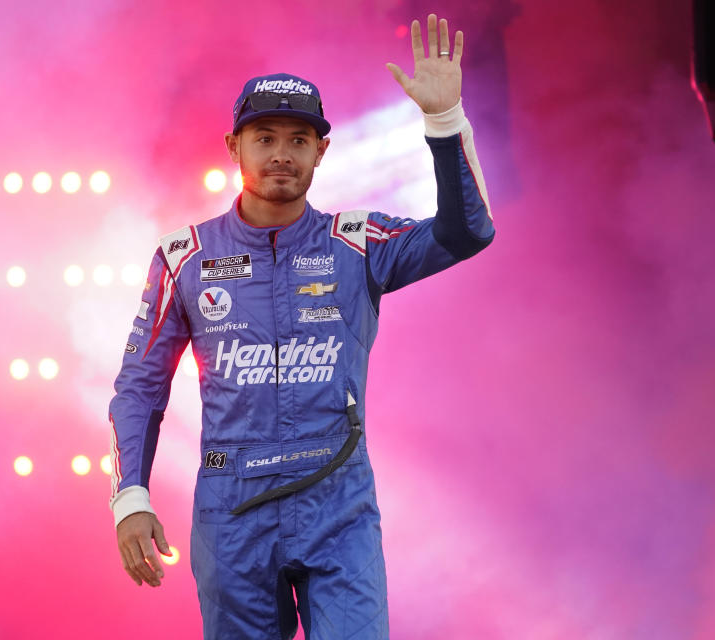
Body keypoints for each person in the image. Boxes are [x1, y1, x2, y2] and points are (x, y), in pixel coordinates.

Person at [108, 13, 494, 640]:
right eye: (264, 137)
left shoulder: (358, 241)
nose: (282, 153)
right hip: (232, 510)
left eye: (298, 138)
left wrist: (445, 123)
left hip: (337, 506)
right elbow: (140, 387)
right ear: (234, 146)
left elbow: (468, 232)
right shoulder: (184, 256)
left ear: (322, 150)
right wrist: (131, 495)